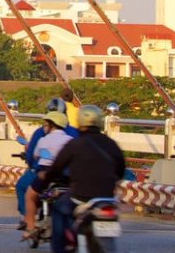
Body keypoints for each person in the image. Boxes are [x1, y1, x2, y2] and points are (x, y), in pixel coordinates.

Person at [42, 105, 125, 253]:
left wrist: (44, 182)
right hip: (107, 199)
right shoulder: (111, 144)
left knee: (58, 209)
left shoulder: (75, 144)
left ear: (80, 122)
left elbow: (56, 168)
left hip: (81, 197)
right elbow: (121, 169)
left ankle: (59, 249)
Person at [16, 98, 79, 229]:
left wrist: (34, 163)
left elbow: (31, 157)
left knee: (22, 186)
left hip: (44, 173)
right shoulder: (74, 133)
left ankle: (28, 220)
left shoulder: (41, 133)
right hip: (70, 175)